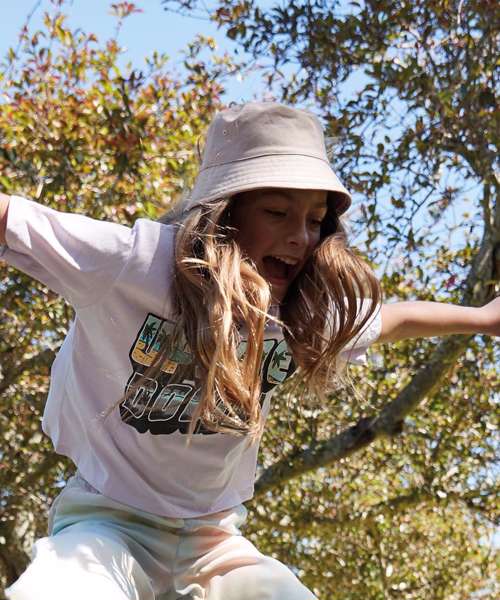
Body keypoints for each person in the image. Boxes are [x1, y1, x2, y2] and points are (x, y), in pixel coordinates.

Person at [0, 102, 497, 600]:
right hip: (108, 521)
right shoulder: (138, 262)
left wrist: (483, 318)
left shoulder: (300, 312)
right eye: (277, 212)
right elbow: (12, 219)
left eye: (315, 220)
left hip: (213, 542)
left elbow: (393, 319)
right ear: (225, 211)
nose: (300, 237)